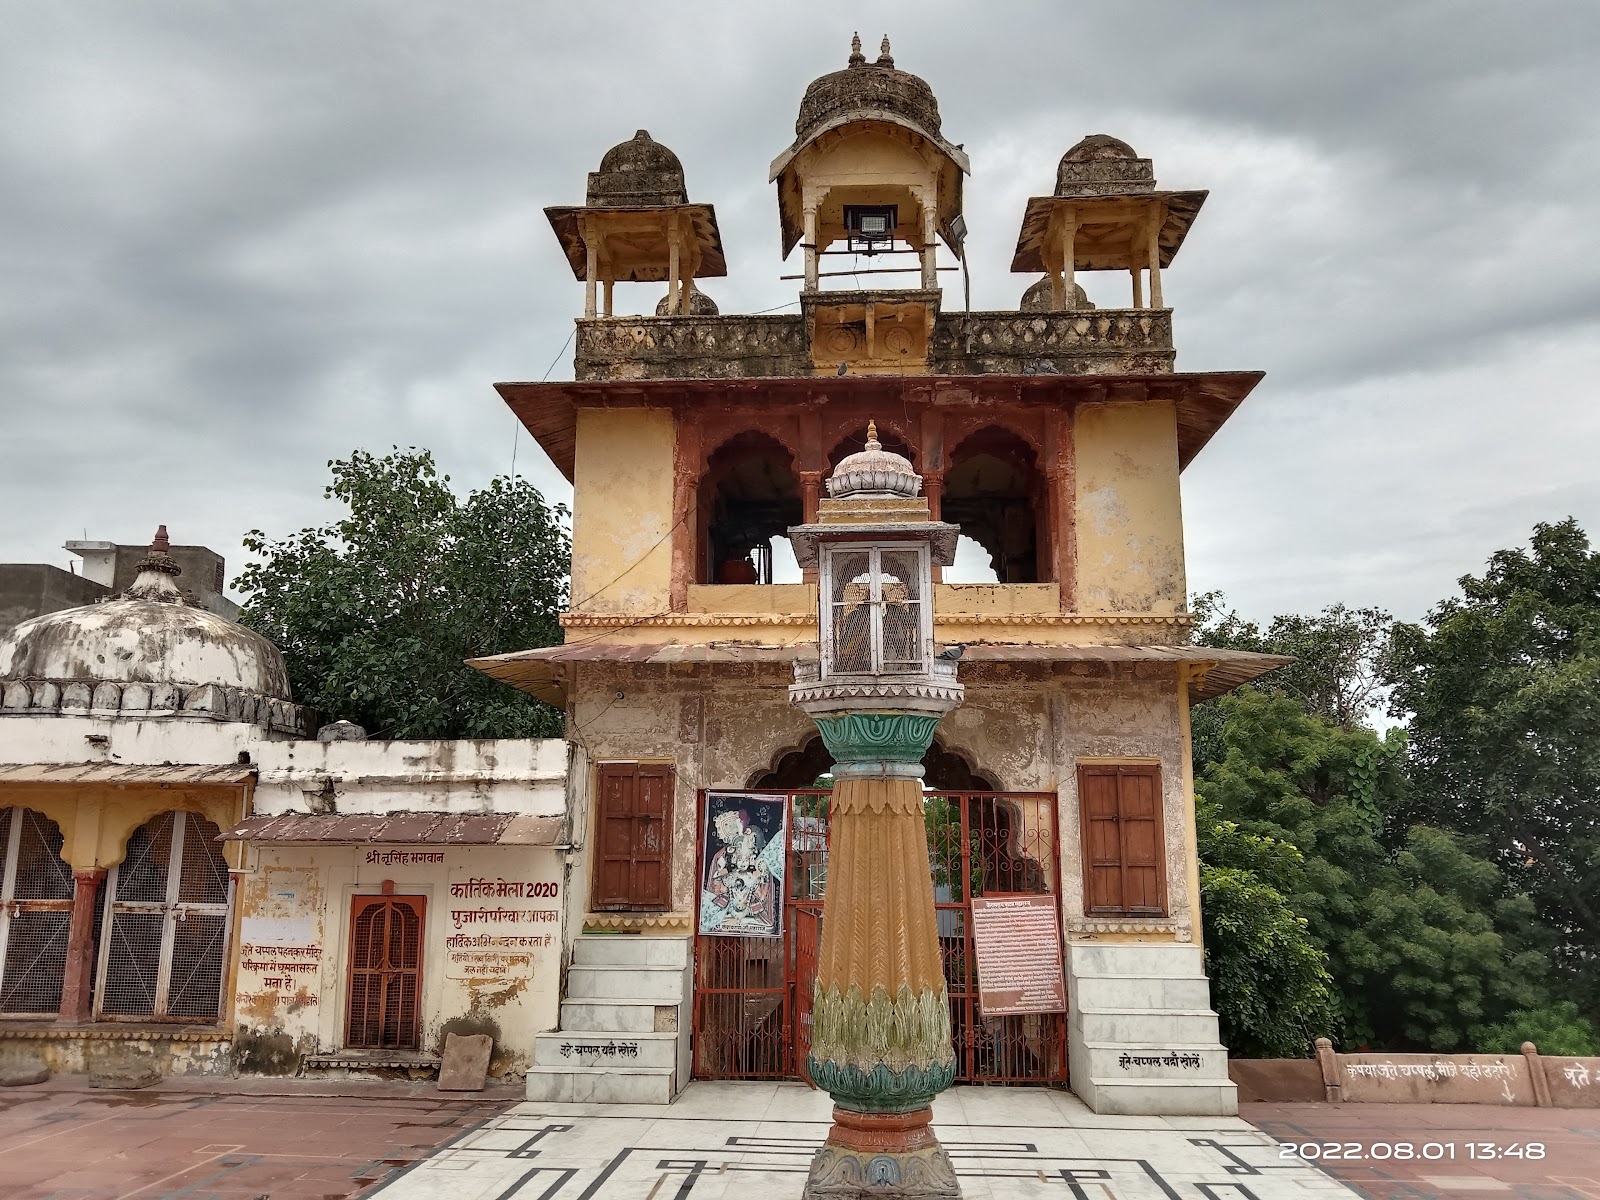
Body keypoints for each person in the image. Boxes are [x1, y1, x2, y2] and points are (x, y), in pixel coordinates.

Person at [702, 807, 780, 935]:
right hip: (731, 912)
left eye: (746, 860)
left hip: (749, 914)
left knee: (766, 925)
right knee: (722, 921)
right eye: (740, 860)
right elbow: (719, 889)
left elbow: (761, 894)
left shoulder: (753, 875)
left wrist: (762, 881)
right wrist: (721, 876)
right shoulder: (729, 874)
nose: (743, 863)